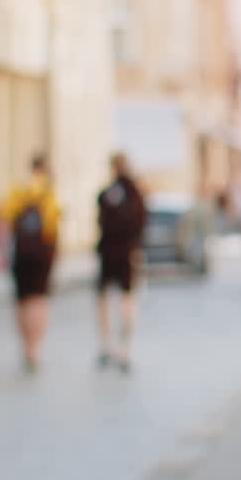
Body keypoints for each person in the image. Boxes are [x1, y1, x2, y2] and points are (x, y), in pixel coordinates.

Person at [0, 154, 60, 374]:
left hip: (21, 254)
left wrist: (1, 252)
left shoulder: (18, 189)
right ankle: (35, 348)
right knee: (39, 300)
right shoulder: (49, 192)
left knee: (22, 300)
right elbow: (53, 227)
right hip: (41, 254)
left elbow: (4, 221)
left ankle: (25, 346)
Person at [95, 153, 147, 374]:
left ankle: (107, 344)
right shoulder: (135, 193)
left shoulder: (106, 194)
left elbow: (100, 221)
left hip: (108, 253)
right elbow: (142, 221)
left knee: (104, 299)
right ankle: (124, 348)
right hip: (127, 252)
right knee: (127, 300)